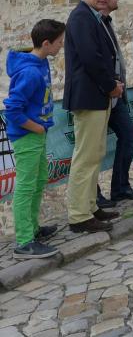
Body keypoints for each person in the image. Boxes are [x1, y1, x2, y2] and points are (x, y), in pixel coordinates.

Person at [64, 0, 123, 234]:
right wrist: (111, 86)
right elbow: (91, 58)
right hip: (89, 96)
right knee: (86, 156)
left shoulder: (92, 17)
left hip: (97, 96)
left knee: (95, 153)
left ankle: (89, 206)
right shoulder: (81, 17)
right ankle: (79, 216)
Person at [4, 20, 65, 259]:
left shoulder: (41, 62)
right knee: (26, 186)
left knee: (39, 180)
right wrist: (36, 127)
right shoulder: (29, 72)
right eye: (59, 42)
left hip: (37, 133)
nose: (61, 46)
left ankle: (33, 228)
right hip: (27, 135)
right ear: (47, 43)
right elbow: (12, 110)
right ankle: (24, 242)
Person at [103, 0, 133, 202]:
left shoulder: (107, 22)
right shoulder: (90, 22)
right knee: (91, 148)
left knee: (129, 134)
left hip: (116, 94)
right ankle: (92, 196)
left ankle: (120, 187)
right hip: (100, 94)